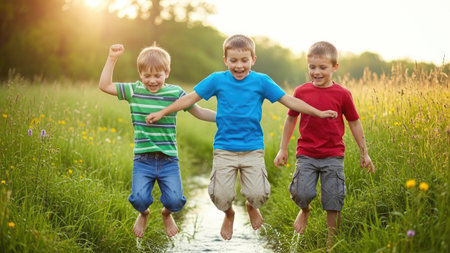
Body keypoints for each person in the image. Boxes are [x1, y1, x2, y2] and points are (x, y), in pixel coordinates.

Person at [145, 34, 337, 240]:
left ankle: (251, 205)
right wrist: (163, 112)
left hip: (252, 148)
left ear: (253, 60)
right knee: (221, 196)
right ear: (225, 60)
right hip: (224, 149)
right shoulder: (217, 79)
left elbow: (290, 101)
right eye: (233, 60)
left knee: (258, 195)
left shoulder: (261, 81)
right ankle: (229, 214)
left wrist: (318, 112)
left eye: (244, 60)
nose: (239, 66)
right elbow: (190, 99)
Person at [99, 44, 216, 238]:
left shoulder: (174, 93)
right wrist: (112, 58)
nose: (152, 81)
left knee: (176, 201)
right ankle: (143, 213)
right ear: (140, 74)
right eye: (147, 76)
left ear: (167, 73)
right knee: (138, 199)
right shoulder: (133, 91)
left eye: (157, 75)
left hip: (168, 160)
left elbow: (200, 111)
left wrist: (224, 118)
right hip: (142, 160)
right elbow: (104, 86)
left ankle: (165, 214)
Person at [273, 41, 375, 248]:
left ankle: (331, 243)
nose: (316, 72)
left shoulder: (343, 94)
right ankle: (304, 210)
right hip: (307, 154)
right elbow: (291, 119)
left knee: (334, 200)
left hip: (333, 156)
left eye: (322, 67)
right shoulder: (301, 92)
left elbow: (354, 123)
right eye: (312, 67)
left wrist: (365, 153)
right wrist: (283, 148)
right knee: (301, 192)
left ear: (335, 67)